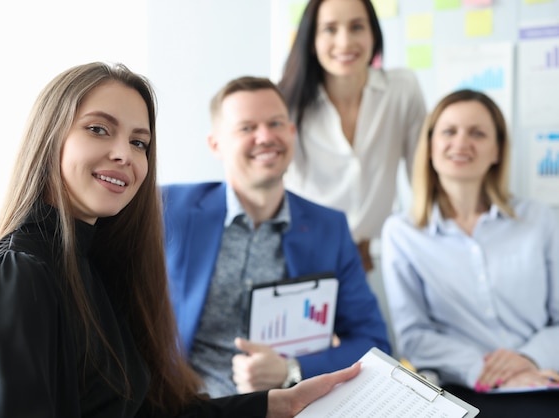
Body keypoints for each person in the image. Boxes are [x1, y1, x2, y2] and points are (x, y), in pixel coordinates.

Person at [0, 62, 364, 418]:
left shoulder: (96, 261)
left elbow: (145, 413)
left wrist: (274, 404)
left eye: (139, 142)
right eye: (99, 130)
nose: (125, 153)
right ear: (50, 138)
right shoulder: (19, 271)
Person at [162, 76, 390, 398]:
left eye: (276, 123)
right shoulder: (167, 210)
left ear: (292, 133)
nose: (265, 137)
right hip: (185, 403)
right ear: (216, 145)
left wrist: (290, 369)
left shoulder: (329, 228)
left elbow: (374, 344)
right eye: (246, 128)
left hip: (289, 404)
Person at [381, 89, 559, 417]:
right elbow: (414, 336)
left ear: (497, 151)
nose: (461, 143)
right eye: (449, 131)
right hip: (459, 390)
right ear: (430, 146)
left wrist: (529, 359)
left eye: (477, 133)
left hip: (542, 378)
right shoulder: (402, 233)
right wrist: (482, 369)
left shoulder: (540, 220)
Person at [278, 0, 426, 273]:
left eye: (357, 27)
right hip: (299, 252)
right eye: (330, 29)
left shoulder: (402, 89)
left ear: (374, 34)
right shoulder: (286, 102)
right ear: (311, 40)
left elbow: (423, 174)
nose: (345, 42)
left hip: (364, 254)